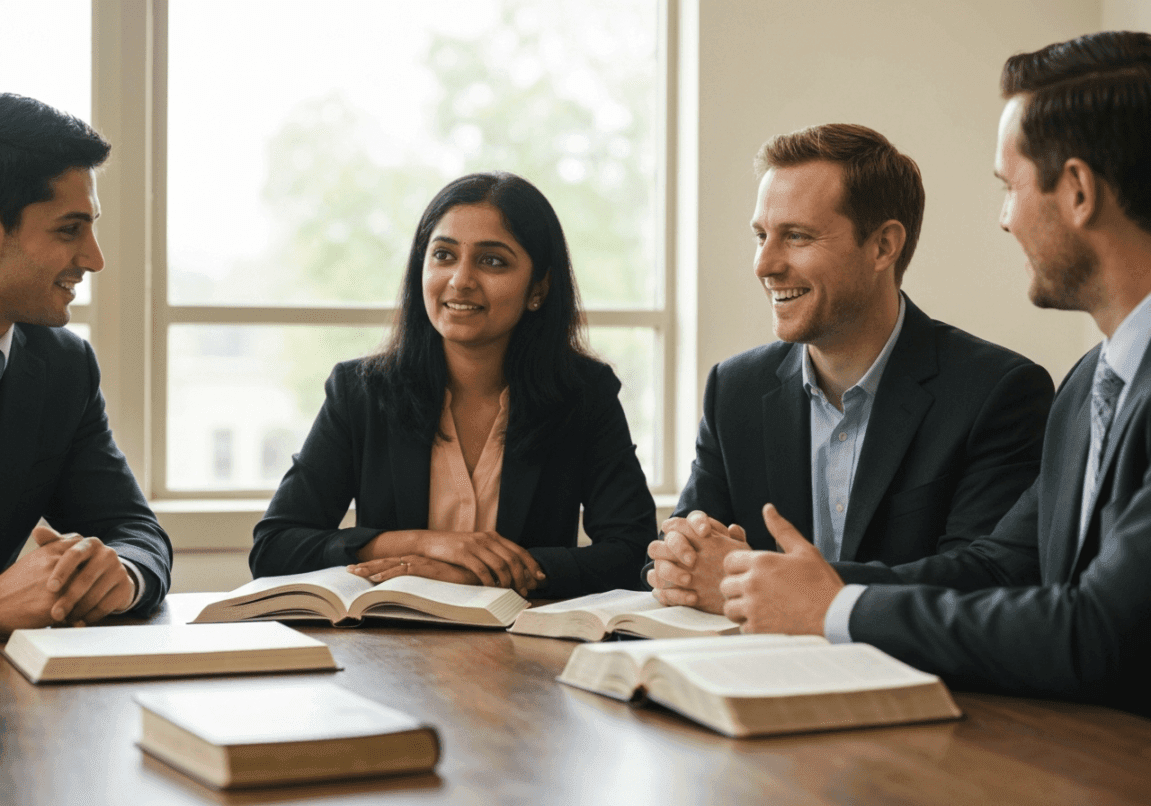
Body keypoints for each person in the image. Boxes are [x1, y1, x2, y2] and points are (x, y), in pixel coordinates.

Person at [719, 31, 1151, 715]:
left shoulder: (1037, 386)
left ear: (1075, 191)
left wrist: (836, 609)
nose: (1004, 219)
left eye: (1008, 187)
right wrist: (795, 587)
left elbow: (1100, 631)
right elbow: (1001, 569)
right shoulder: (1087, 384)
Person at [646, 123, 1054, 614]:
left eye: (796, 236)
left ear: (883, 246)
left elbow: (987, 580)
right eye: (761, 235)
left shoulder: (999, 391)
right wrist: (675, 560)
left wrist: (766, 582)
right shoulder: (733, 389)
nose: (764, 264)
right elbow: (684, 553)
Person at [251, 172, 655, 598]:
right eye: (443, 255)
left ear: (539, 287)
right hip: (388, 650)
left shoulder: (583, 395)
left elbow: (633, 554)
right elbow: (274, 548)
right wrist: (424, 543)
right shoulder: (360, 392)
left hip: (526, 651)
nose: (461, 280)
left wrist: (484, 573)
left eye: (492, 261)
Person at [0, 93, 172, 634]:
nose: (94, 259)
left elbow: (131, 528)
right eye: (69, 230)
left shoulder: (62, 365)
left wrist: (117, 573)